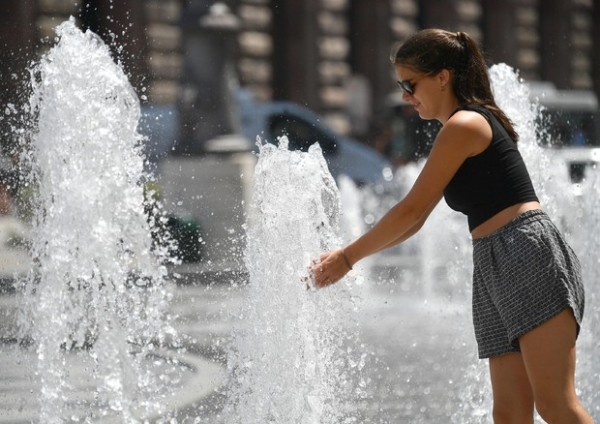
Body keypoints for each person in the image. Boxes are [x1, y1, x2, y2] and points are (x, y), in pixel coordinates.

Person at [311, 29, 593, 424]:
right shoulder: (460, 127)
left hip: (526, 252)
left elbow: (411, 211)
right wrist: (348, 258)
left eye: (411, 84)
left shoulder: (466, 125)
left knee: (555, 405)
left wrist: (347, 257)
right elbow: (415, 219)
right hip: (495, 258)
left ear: (442, 77)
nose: (407, 96)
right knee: (510, 413)